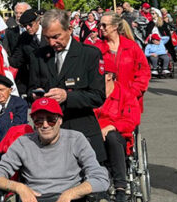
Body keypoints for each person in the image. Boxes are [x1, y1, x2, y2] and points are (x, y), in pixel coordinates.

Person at [28, 9, 106, 163]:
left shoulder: (89, 55)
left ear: (69, 29)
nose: (51, 43)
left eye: (56, 37)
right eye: (47, 38)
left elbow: (98, 96)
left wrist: (67, 96)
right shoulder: (38, 56)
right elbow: (31, 88)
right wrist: (35, 96)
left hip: (81, 129)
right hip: (49, 133)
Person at [94, 54, 141, 202]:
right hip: (95, 136)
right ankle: (99, 185)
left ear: (109, 76)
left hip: (119, 137)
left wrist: (112, 126)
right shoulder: (92, 94)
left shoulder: (125, 94)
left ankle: (121, 189)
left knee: (112, 138)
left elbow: (132, 120)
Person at [97, 13, 151, 106]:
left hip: (128, 103)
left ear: (115, 26)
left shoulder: (132, 47)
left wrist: (132, 93)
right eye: (99, 25)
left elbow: (143, 72)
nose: (101, 28)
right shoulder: (97, 49)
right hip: (105, 103)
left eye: (104, 25)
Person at [8, 8, 46, 96]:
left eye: (30, 25)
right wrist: (3, 58)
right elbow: (17, 60)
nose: (28, 28)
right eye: (24, 26)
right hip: (33, 84)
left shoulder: (48, 33)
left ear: (38, 21)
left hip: (49, 82)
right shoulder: (24, 38)